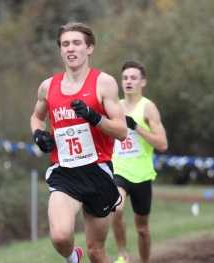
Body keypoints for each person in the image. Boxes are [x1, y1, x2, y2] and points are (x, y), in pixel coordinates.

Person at [30, 22, 127, 263]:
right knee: (61, 236)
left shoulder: (103, 83)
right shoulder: (48, 87)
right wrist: (38, 134)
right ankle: (72, 257)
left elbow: (122, 131)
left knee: (96, 251)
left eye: (76, 43)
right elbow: (36, 117)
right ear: (60, 50)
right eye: (65, 44)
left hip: (98, 172)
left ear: (89, 48)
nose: (70, 49)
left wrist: (94, 118)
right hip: (65, 172)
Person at [111, 61, 168, 263]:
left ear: (143, 82)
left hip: (142, 175)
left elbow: (162, 144)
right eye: (125, 78)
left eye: (133, 78)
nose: (128, 81)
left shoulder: (148, 108)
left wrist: (136, 127)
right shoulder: (114, 107)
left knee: (142, 229)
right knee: (116, 209)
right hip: (119, 170)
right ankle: (122, 255)